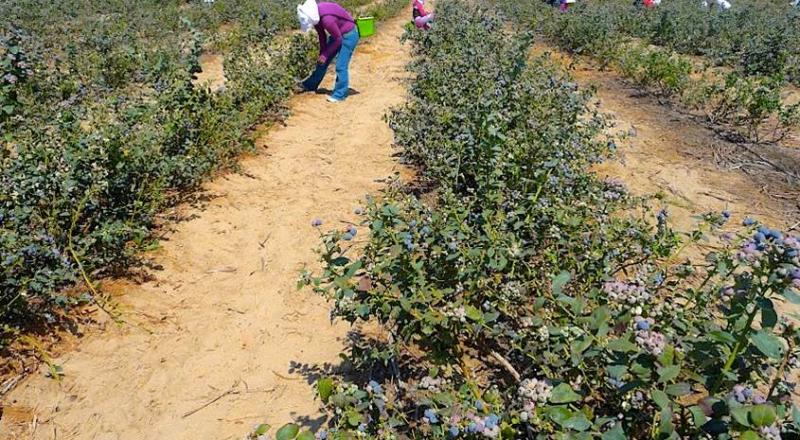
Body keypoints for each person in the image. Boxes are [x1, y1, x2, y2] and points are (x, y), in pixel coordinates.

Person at [297, 0, 360, 102]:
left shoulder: (327, 20)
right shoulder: (316, 16)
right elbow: (322, 36)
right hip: (338, 34)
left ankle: (340, 94)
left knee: (341, 66)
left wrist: (325, 55)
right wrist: (323, 54)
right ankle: (310, 85)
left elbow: (339, 40)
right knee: (322, 62)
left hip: (349, 35)